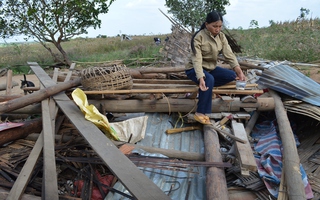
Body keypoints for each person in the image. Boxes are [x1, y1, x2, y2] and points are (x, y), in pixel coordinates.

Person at [185, 10, 246, 125]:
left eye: (220, 26)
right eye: (214, 26)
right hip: (193, 69)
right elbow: (196, 60)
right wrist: (201, 78)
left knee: (231, 75)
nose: (217, 29)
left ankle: (208, 83)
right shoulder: (199, 37)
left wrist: (239, 71)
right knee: (209, 79)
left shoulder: (221, 37)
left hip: (210, 68)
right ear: (207, 24)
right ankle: (200, 113)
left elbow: (229, 55)